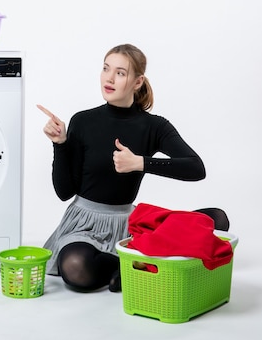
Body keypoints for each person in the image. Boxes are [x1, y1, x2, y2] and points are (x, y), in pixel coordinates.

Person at [37, 43, 229, 293]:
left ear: (137, 82)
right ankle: (131, 265)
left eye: (120, 72)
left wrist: (140, 162)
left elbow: (196, 168)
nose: (109, 78)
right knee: (75, 267)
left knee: (216, 218)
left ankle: (130, 264)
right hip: (83, 225)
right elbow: (64, 192)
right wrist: (60, 144)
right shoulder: (82, 121)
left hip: (130, 223)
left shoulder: (155, 127)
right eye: (106, 69)